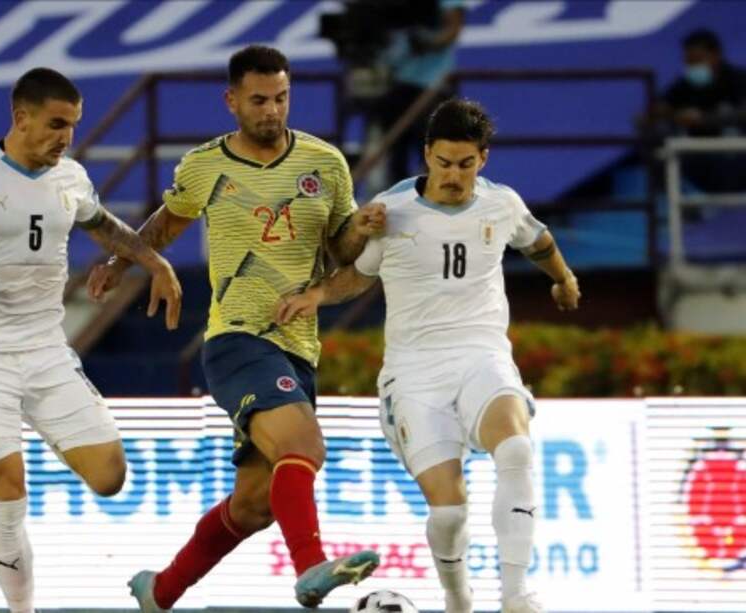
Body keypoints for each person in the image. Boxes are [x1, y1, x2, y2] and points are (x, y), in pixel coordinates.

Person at [87, 45, 386, 610]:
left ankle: (160, 591)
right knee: (302, 444)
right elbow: (167, 223)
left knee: (254, 505)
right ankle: (310, 566)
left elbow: (341, 249)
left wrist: (362, 229)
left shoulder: (325, 163)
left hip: (298, 346)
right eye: (259, 100)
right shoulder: (204, 165)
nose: (272, 111)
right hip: (238, 338)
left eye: (281, 98)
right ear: (232, 101)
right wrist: (120, 263)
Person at [277, 99, 581, 613]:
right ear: (426, 155)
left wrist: (564, 279)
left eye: (465, 164)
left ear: (483, 159)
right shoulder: (392, 210)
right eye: (443, 163)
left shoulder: (501, 203)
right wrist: (319, 295)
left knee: (516, 450)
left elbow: (538, 241)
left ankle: (515, 594)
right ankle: (458, 598)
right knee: (449, 512)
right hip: (414, 373)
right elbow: (359, 273)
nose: (453, 176)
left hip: (482, 354)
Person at [0, 67, 182, 613]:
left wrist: (153, 261)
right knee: (7, 485)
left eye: (73, 125)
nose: (66, 137)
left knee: (109, 475)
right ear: (21, 117)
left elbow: (104, 225)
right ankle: (23, 610)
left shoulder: (71, 177)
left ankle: (37, 428)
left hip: (45, 350)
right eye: (57, 124)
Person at [372, 0, 466, 185]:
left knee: (433, 145)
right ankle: (397, 193)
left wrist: (427, 42)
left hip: (433, 84)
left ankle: (432, 193)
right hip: (399, 81)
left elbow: (452, 30)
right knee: (397, 151)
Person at [646, 28, 746, 194]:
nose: (693, 67)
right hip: (699, 159)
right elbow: (658, 109)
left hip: (738, 158)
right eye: (688, 62)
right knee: (655, 133)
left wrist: (705, 119)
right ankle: (672, 198)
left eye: (698, 60)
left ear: (716, 55)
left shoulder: (739, 80)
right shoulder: (684, 85)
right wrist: (665, 115)